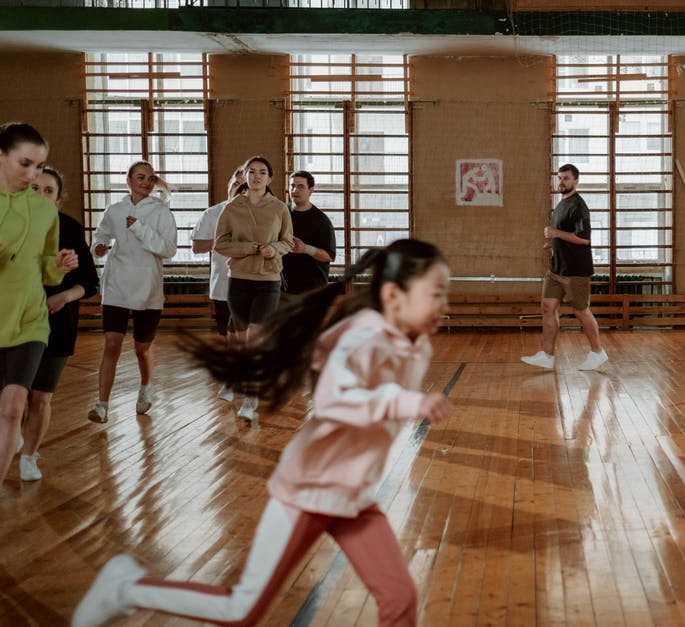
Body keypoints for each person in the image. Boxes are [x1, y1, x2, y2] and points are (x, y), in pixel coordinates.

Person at [72, 239, 452, 627]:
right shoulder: (363, 337)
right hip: (308, 490)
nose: (444, 305)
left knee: (400, 598)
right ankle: (127, 588)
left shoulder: (417, 346)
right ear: (393, 295)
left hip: (352, 494)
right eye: (436, 294)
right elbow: (335, 400)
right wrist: (405, 402)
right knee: (241, 611)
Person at [0, 122, 77, 479]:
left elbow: (46, 272)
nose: (32, 174)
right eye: (24, 164)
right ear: (2, 156)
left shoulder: (45, 212)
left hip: (30, 320)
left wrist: (58, 267)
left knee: (14, 409)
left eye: (38, 165)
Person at [22, 166, 98, 481]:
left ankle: (28, 456)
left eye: (48, 190)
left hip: (57, 325)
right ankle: (15, 435)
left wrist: (64, 296)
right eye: (34, 189)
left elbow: (90, 283)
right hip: (16, 323)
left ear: (58, 199)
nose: (41, 195)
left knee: (41, 396)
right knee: (14, 396)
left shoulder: (70, 229)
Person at [88, 161, 177, 424]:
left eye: (151, 179)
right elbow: (100, 236)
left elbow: (168, 249)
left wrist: (139, 228)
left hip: (147, 287)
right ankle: (102, 405)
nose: (146, 183)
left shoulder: (161, 212)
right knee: (111, 344)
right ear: (128, 180)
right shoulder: (114, 210)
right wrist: (99, 247)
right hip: (116, 285)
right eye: (140, 177)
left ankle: (146, 387)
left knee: (141, 347)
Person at [214, 155, 293, 421]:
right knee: (237, 340)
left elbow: (288, 242)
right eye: (251, 171)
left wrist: (274, 249)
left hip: (268, 281)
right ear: (245, 176)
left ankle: (251, 397)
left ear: (269, 179)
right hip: (239, 279)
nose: (257, 176)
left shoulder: (280, 208)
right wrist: (248, 249)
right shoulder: (232, 208)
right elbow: (220, 244)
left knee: (255, 338)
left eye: (262, 172)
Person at [520, 164, 607, 371]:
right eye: (559, 178)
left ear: (576, 180)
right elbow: (562, 233)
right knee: (548, 308)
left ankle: (598, 353)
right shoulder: (561, 204)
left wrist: (556, 234)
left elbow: (584, 240)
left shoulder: (579, 206)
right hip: (556, 269)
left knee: (581, 312)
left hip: (576, 271)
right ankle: (547, 355)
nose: (561, 182)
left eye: (566, 178)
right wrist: (551, 243)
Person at [191, 166, 244, 402]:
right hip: (222, 285)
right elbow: (197, 246)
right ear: (229, 186)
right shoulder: (213, 214)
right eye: (236, 184)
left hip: (252, 283)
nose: (240, 188)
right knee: (228, 336)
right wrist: (224, 242)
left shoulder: (260, 213)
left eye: (245, 185)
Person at [282, 170, 335, 301]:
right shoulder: (280, 213)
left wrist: (305, 248)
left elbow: (329, 256)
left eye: (301, 186)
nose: (295, 190)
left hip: (311, 291)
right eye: (292, 186)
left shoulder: (321, 221)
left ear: (311, 190)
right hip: (282, 288)